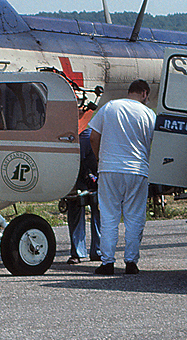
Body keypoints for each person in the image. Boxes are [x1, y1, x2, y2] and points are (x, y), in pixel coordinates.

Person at [88, 79, 155, 275]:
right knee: (134, 216)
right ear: (143, 93)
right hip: (137, 170)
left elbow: (93, 137)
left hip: (109, 168)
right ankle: (131, 262)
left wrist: (101, 158)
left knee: (109, 216)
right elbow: (154, 142)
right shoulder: (149, 114)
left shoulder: (110, 107)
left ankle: (107, 262)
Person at [66, 126, 100, 264]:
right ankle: (92, 251)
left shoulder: (89, 131)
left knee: (96, 209)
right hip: (80, 170)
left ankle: (88, 251)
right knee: (82, 207)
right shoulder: (86, 132)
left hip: (89, 169)